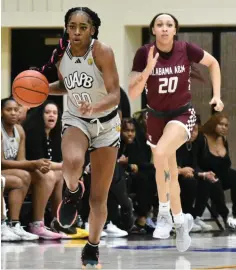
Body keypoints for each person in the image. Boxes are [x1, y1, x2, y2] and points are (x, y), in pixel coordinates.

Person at [128, 13, 224, 252]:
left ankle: (163, 213)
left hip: (181, 115)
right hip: (155, 117)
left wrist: (217, 95)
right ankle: (181, 221)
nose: (164, 28)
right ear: (152, 29)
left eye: (169, 25)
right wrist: (148, 69)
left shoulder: (185, 49)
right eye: (159, 24)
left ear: (175, 30)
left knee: (160, 153)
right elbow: (132, 92)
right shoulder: (144, 53)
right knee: (167, 169)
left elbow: (213, 63)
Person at [34, 7, 120, 267]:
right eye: (72, 26)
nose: (77, 32)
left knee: (98, 199)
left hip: (106, 125)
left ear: (92, 30)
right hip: (76, 119)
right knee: (71, 162)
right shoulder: (61, 55)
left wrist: (95, 107)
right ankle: (72, 192)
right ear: (66, 28)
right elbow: (66, 85)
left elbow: (115, 93)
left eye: (83, 27)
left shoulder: (102, 51)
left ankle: (92, 246)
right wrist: (40, 90)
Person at [1, 97, 61, 240]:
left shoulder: (19, 130)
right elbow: (1, 162)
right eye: (9, 110)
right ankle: (12, 223)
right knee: (25, 176)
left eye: (16, 110)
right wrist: (33, 164)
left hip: (13, 170)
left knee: (47, 175)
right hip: (3, 169)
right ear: (1, 112)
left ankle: (36, 224)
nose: (14, 113)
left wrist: (36, 165)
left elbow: (21, 161)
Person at [196, 112, 236, 229]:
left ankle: (235, 215)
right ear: (213, 124)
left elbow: (226, 164)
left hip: (221, 176)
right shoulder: (201, 139)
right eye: (220, 124)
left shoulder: (223, 140)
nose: (224, 127)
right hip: (205, 177)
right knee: (214, 181)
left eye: (226, 125)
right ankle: (225, 216)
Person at [176, 114, 214, 232]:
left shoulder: (196, 143)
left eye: (195, 130)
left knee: (206, 181)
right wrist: (182, 171)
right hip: (172, 176)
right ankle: (186, 217)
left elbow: (194, 166)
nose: (192, 133)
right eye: (189, 130)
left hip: (189, 174)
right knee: (190, 182)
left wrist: (203, 174)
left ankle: (195, 216)